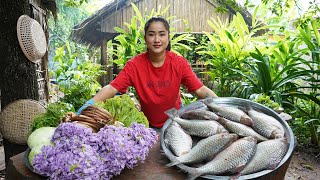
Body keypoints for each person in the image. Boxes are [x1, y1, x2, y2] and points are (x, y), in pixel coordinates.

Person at [77, 16, 217, 129]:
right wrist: (88, 105)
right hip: (146, 125)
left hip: (176, 124)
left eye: (161, 34)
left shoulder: (179, 63)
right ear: (145, 38)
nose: (157, 40)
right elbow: (112, 88)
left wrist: (221, 105)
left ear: (168, 38)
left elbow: (201, 90)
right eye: (151, 34)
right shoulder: (134, 65)